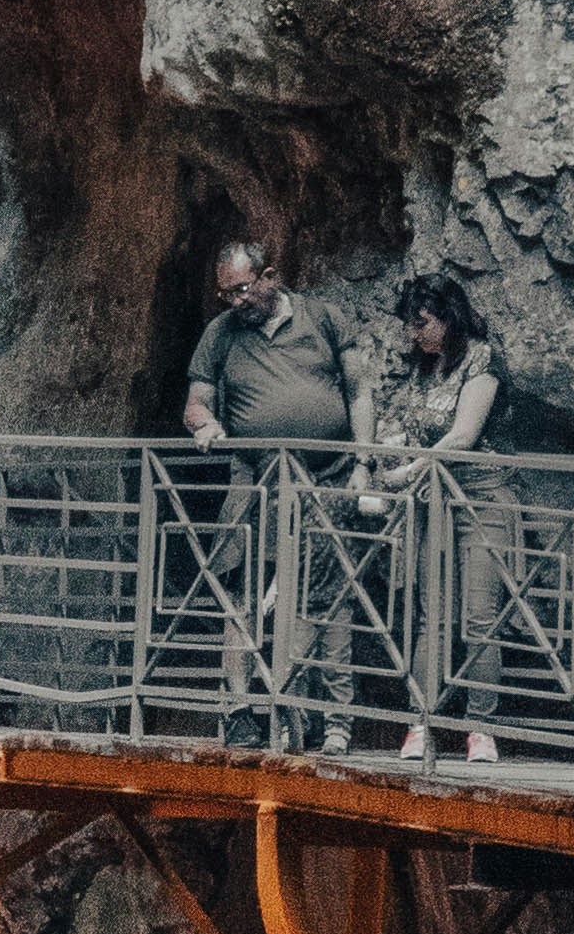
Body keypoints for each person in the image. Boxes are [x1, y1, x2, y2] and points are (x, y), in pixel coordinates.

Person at [181, 240, 370, 747]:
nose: (235, 302)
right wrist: (205, 425)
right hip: (254, 479)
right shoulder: (221, 333)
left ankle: (298, 712)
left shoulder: (324, 318)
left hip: (323, 479)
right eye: (226, 294)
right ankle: (239, 710)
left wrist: (364, 462)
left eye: (242, 289)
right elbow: (196, 402)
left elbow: (358, 391)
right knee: (240, 591)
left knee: (316, 596)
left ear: (270, 277)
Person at [356, 274, 507, 763]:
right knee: (430, 613)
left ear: (449, 316)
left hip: (480, 496)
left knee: (481, 613)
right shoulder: (424, 369)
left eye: (422, 323)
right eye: (409, 325)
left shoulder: (481, 357)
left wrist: (412, 469)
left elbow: (464, 435)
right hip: (432, 500)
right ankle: (421, 724)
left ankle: (480, 729)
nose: (414, 333)